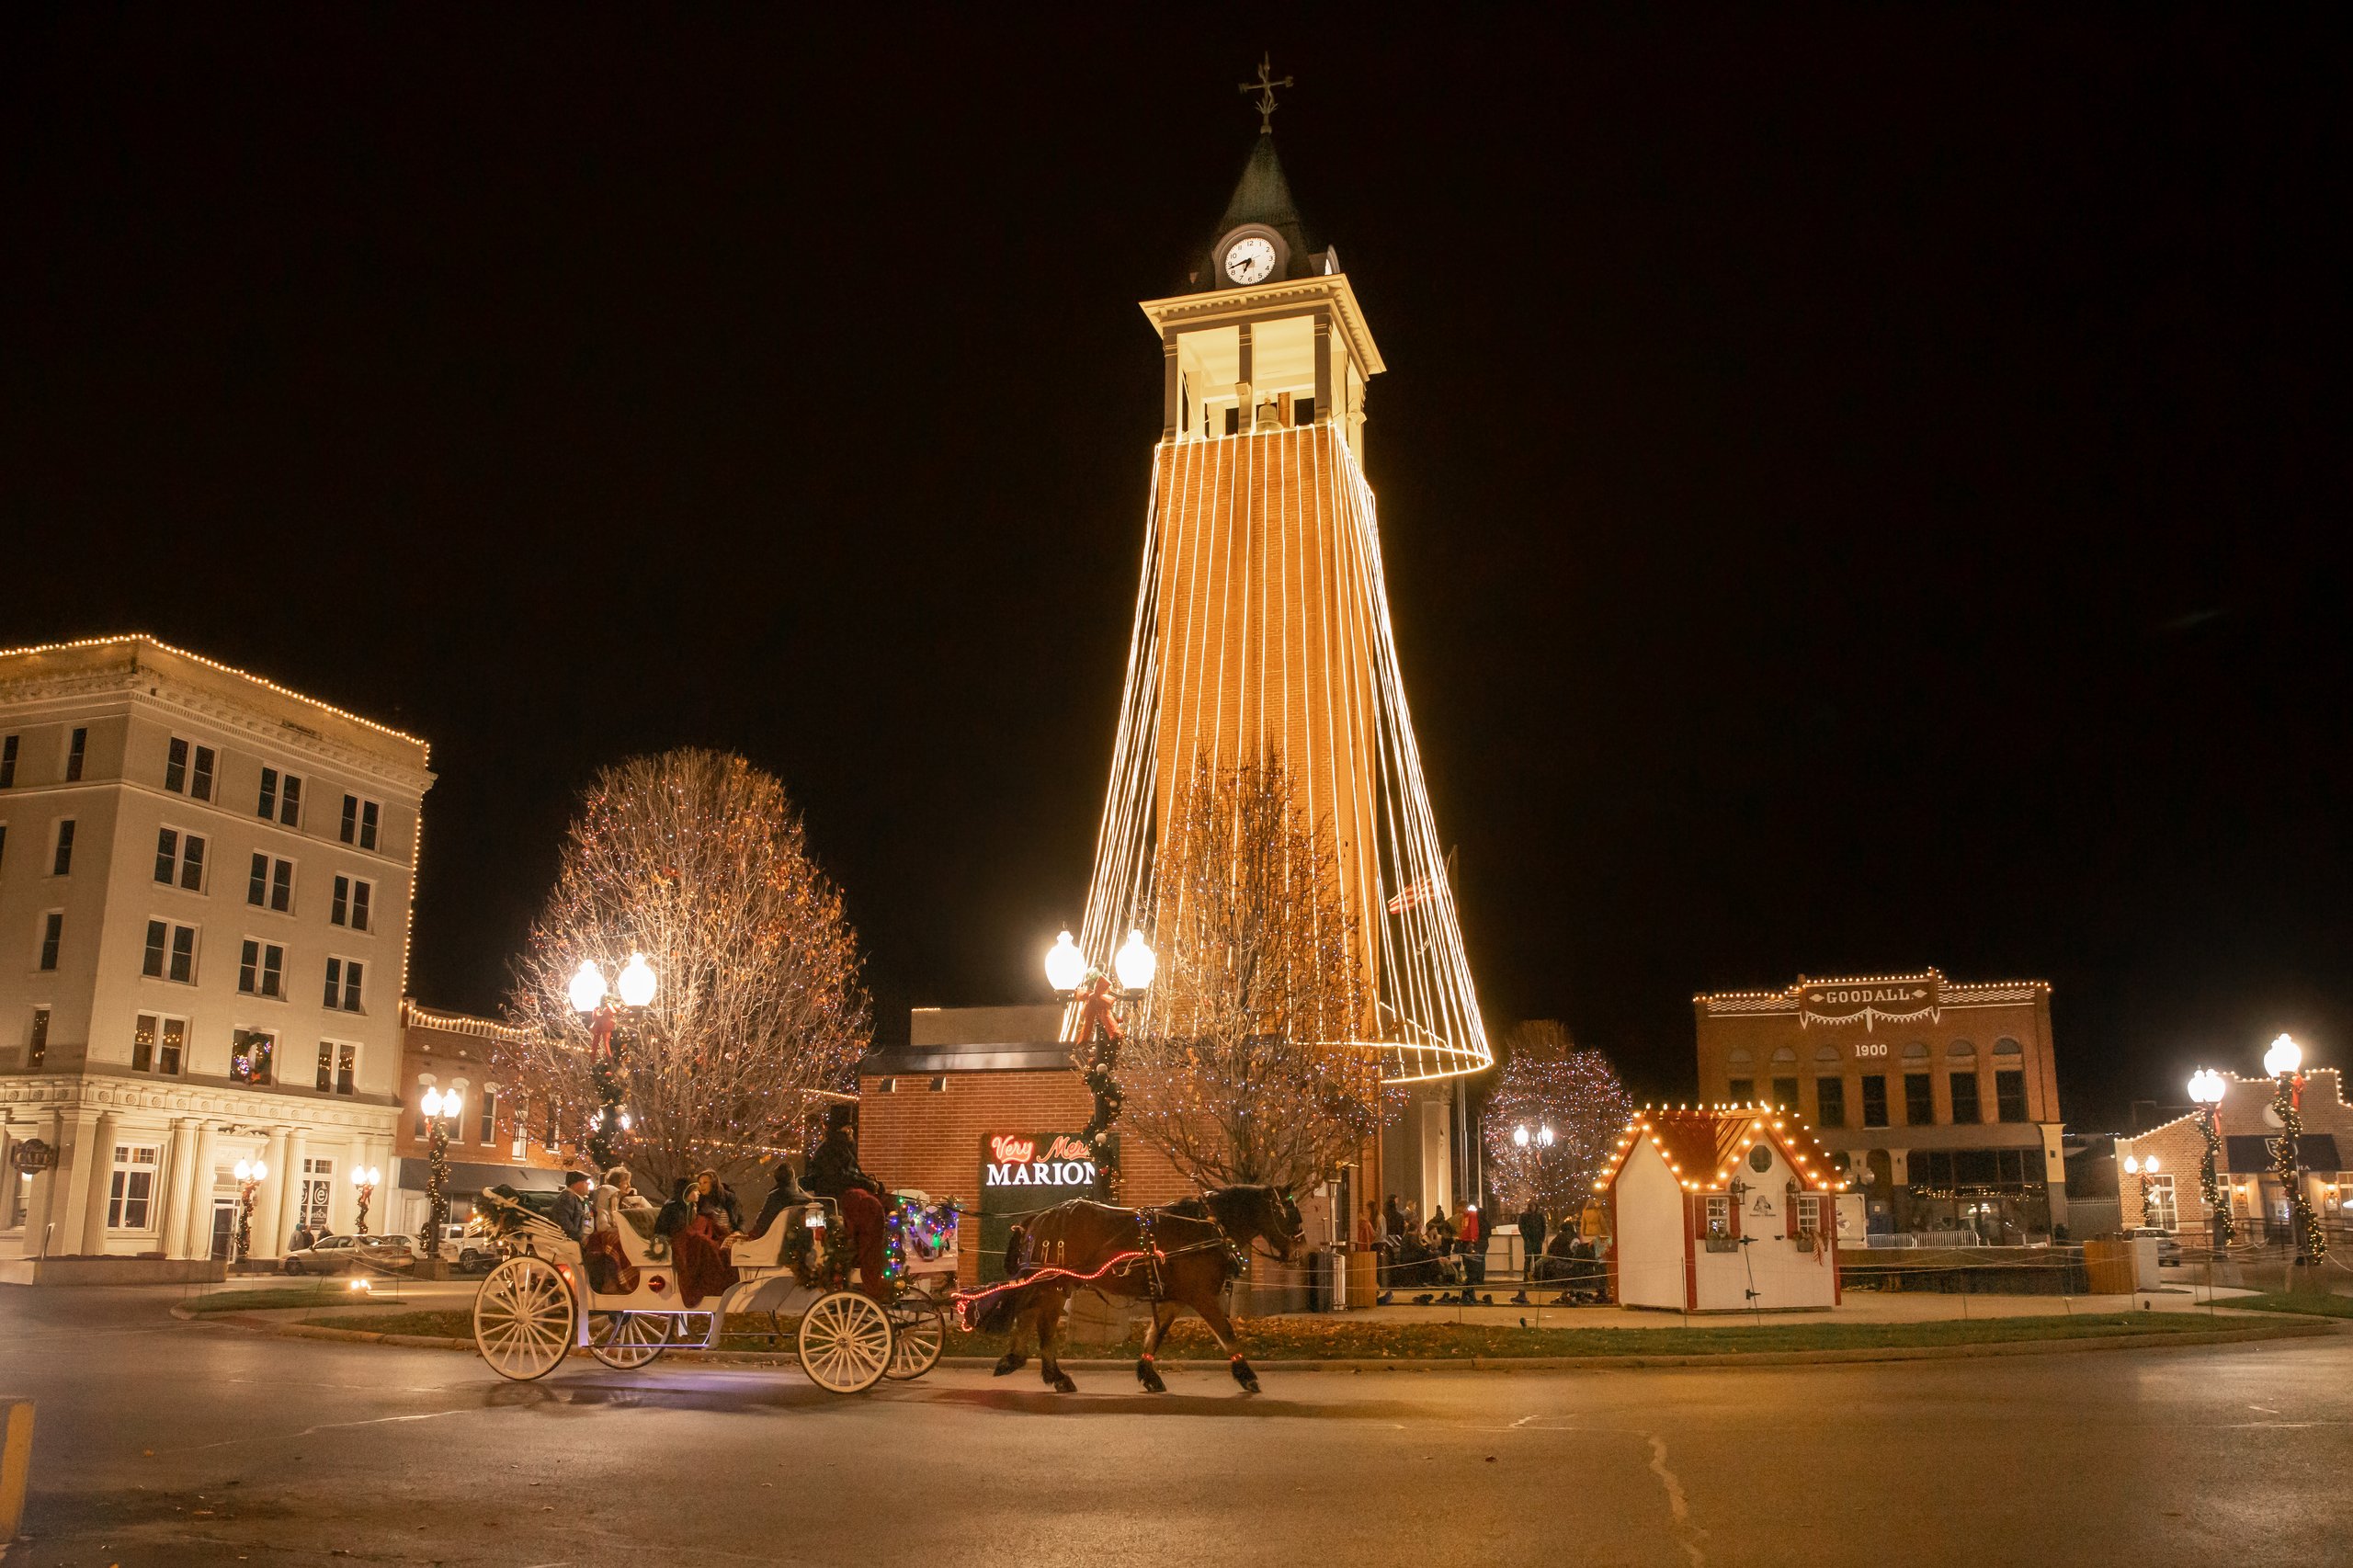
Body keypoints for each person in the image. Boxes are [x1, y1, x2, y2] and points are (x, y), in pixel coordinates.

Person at [803, 1104, 891, 1303]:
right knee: (870, 1206)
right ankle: (869, 1263)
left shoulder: (845, 1149)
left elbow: (854, 1174)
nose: (850, 1132)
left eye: (850, 1128)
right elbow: (840, 1179)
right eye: (847, 1128)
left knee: (886, 1203)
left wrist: (872, 1184)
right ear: (839, 1130)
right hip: (837, 1199)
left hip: (846, 1195)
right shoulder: (828, 1151)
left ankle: (879, 1255)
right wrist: (866, 1184)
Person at [670, 1169, 741, 1307]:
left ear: (713, 1183)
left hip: (722, 1231)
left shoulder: (728, 1198)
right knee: (703, 1243)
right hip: (702, 1233)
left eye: (705, 1183)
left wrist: (735, 1232)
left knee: (723, 1247)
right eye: (700, 1183)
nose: (701, 1186)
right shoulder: (695, 1202)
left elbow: (737, 1220)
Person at [748, 1154, 818, 1239]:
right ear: (792, 1176)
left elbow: (763, 1221)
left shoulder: (775, 1197)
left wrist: (753, 1235)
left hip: (776, 1239)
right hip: (799, 1239)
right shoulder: (806, 1200)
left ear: (776, 1178)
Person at [551, 1170, 593, 1244]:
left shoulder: (580, 1199)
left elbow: (587, 1220)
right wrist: (581, 1238)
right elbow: (564, 1225)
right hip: (574, 1242)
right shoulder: (567, 1198)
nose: (588, 1185)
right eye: (585, 1182)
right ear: (576, 1184)